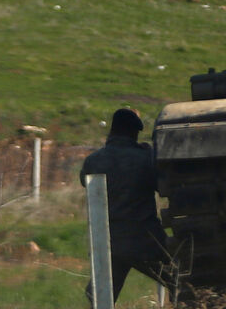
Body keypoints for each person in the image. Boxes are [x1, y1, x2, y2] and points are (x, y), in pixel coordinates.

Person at [80, 108, 169, 305]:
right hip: (145, 240)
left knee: (99, 297)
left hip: (107, 243)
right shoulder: (145, 159)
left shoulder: (93, 161)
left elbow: (84, 182)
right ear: (134, 133)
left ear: (112, 131)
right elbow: (163, 187)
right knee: (181, 279)